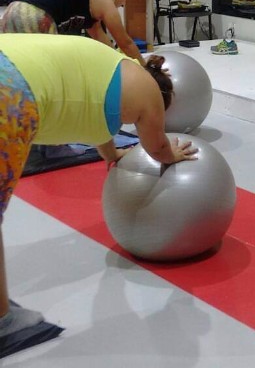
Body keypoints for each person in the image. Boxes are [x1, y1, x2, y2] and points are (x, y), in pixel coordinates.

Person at [0, 33, 197, 339]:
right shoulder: (150, 93)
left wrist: (112, 154)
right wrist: (174, 153)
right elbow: (158, 147)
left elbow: (96, 120)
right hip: (10, 88)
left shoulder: (115, 68)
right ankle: (4, 324)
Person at [0, 0, 145, 65]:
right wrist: (145, 69)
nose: (123, 5)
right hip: (33, 15)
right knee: (44, 69)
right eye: (124, 0)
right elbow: (125, 42)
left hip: (12, 11)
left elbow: (102, 41)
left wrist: (116, 62)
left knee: (13, 67)